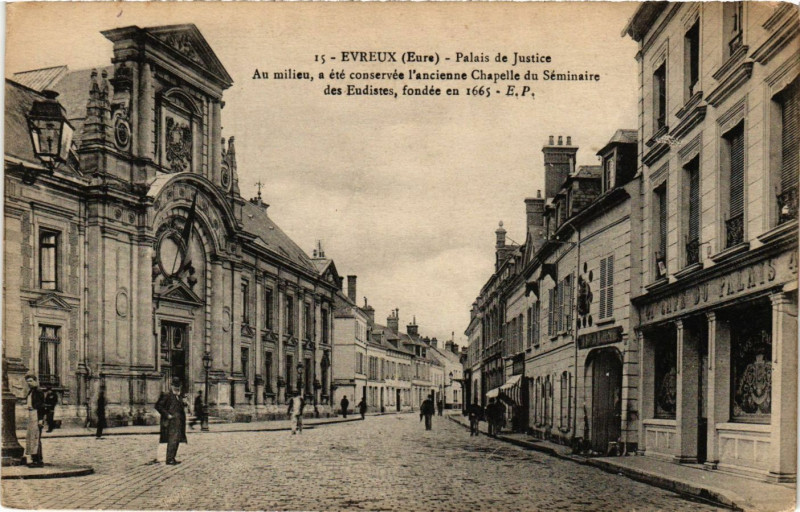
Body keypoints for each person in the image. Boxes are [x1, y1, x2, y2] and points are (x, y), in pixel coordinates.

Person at [155, 378, 187, 465]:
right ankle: (169, 459)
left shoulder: (179, 396)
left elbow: (180, 408)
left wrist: (184, 403)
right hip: (170, 422)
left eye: (179, 386)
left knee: (176, 440)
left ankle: (172, 457)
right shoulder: (166, 395)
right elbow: (158, 406)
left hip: (178, 421)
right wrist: (167, 415)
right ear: (172, 386)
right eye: (175, 386)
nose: (177, 388)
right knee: (172, 440)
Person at [24, 375, 46, 467]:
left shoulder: (39, 392)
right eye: (27, 381)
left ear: (35, 381)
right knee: (31, 438)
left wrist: (40, 419)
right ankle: (34, 459)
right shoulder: (31, 392)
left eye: (30, 381)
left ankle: (38, 461)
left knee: (36, 438)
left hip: (36, 415)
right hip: (31, 414)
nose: (29, 383)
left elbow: (41, 407)